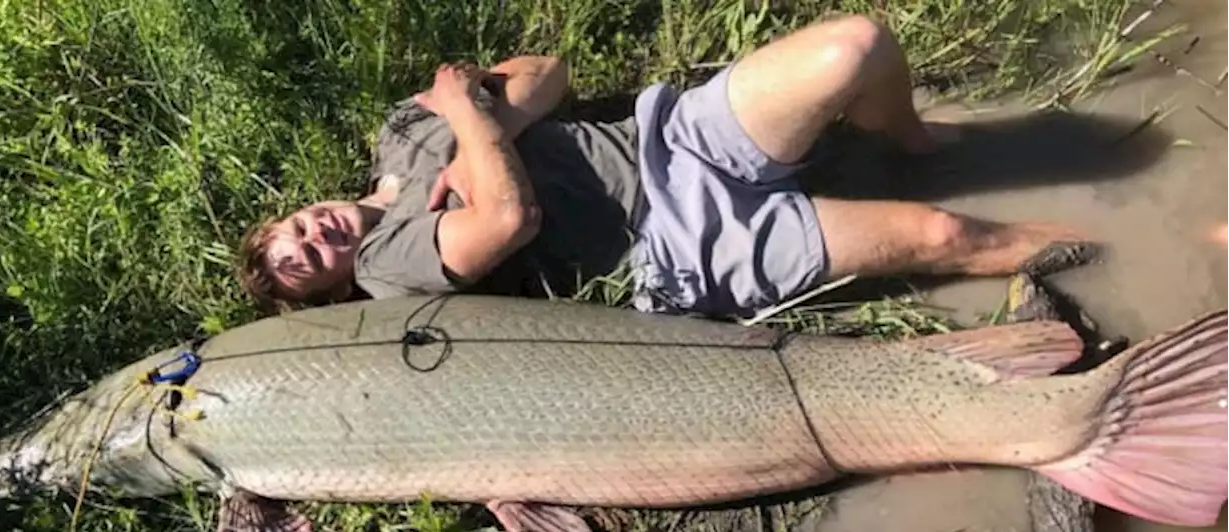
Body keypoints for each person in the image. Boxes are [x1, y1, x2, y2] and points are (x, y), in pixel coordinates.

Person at [236, 13, 1093, 319]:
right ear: (335, 288)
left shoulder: (399, 134)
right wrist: (467, 108)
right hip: (678, 242)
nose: (316, 241)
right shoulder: (391, 270)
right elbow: (507, 220)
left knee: (856, 48)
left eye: (295, 232)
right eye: (310, 266)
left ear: (298, 208)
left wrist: (472, 137)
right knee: (946, 235)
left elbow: (547, 71)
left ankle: (912, 145)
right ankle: (1118, 249)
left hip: (672, 137)